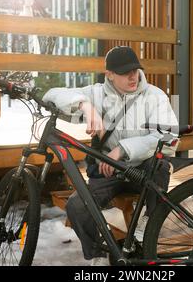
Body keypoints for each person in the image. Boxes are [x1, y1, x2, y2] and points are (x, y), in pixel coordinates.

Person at [43, 46, 179, 266]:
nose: (133, 76)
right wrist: (84, 105)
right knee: (76, 207)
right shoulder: (96, 93)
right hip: (109, 174)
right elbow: (50, 95)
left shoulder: (156, 95)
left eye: (135, 70)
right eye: (125, 72)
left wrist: (123, 149)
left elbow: (170, 139)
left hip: (144, 171)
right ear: (109, 74)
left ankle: (148, 227)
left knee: (160, 166)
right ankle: (98, 255)